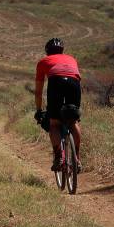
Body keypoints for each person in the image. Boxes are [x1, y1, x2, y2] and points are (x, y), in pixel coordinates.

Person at [33, 37, 82, 172]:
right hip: (74, 84)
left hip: (56, 82)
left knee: (54, 123)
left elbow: (38, 92)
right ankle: (77, 158)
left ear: (47, 51)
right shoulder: (72, 59)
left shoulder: (43, 62)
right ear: (62, 50)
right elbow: (77, 78)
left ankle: (59, 157)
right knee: (73, 121)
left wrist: (39, 110)